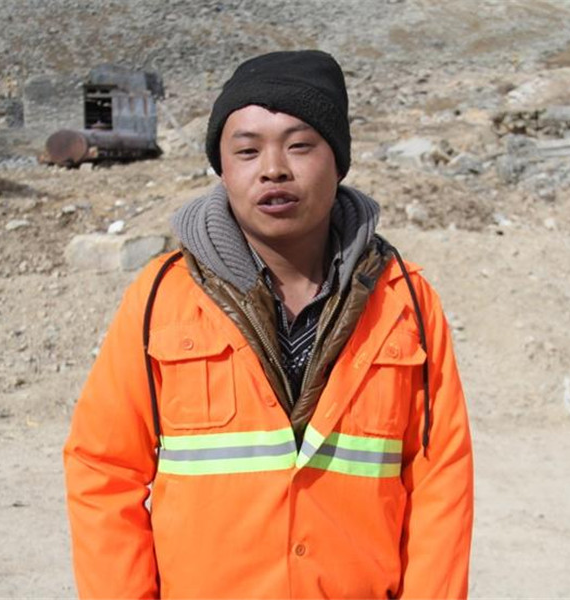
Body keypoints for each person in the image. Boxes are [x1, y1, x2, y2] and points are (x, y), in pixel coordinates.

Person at [64, 49, 473, 599]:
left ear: (338, 160)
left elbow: (440, 482)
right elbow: (103, 469)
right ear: (224, 168)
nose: (274, 168)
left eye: (300, 145)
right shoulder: (161, 297)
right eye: (248, 150)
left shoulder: (407, 302)